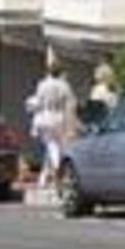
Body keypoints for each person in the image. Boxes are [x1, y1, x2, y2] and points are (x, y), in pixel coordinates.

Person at [26, 56, 76, 196]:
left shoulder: (42, 84)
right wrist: (71, 123)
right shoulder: (64, 85)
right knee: (55, 146)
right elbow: (70, 104)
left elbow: (39, 102)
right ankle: (44, 178)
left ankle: (55, 174)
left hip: (46, 118)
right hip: (59, 118)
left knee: (52, 146)